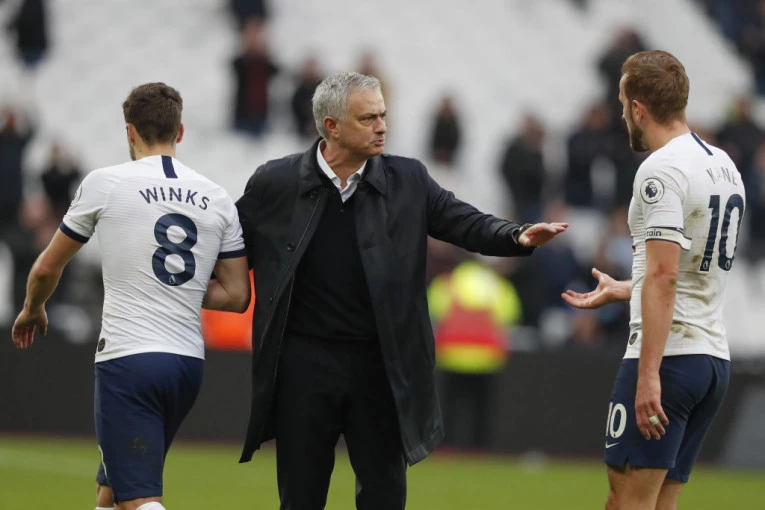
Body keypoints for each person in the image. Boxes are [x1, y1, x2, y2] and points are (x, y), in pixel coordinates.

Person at [235, 71, 568, 509]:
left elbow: (463, 221)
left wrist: (515, 235)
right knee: (300, 496)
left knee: (385, 496)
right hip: (305, 364)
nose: (382, 127)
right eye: (368, 118)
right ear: (331, 126)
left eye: (383, 115)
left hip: (381, 363)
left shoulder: (407, 179)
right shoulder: (275, 182)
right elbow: (228, 245)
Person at [11, 83, 251, 510]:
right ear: (180, 132)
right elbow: (237, 295)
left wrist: (32, 308)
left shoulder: (107, 183)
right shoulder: (217, 198)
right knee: (110, 491)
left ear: (130, 132)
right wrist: (176, 288)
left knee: (137, 499)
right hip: (187, 365)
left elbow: (47, 267)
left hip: (130, 359)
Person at [562, 51, 745, 509]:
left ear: (638, 108)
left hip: (670, 360)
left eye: (623, 103)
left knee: (626, 501)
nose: (623, 114)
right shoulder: (723, 164)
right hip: (711, 360)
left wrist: (648, 376)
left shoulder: (661, 169)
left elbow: (664, 277)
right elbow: (695, 271)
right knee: (661, 503)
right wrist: (626, 289)